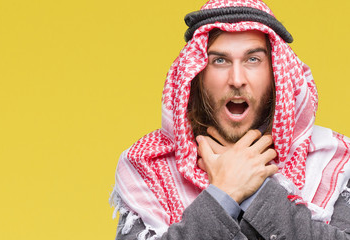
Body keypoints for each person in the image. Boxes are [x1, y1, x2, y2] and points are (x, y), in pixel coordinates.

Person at [110, 0, 350, 239]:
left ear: (276, 72)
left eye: (253, 59)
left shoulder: (335, 162)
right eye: (220, 61)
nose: (236, 79)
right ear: (197, 75)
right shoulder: (149, 167)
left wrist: (257, 192)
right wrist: (223, 193)